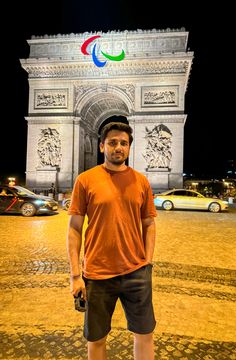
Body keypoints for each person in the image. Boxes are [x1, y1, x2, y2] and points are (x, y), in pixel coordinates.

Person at [66, 122, 157, 360]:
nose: (118, 147)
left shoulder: (141, 181)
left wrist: (147, 262)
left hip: (136, 272)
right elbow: (74, 228)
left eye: (123, 143)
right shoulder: (85, 180)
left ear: (129, 148)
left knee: (145, 335)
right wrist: (76, 275)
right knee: (96, 339)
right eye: (113, 142)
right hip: (97, 274)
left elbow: (149, 223)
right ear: (101, 145)